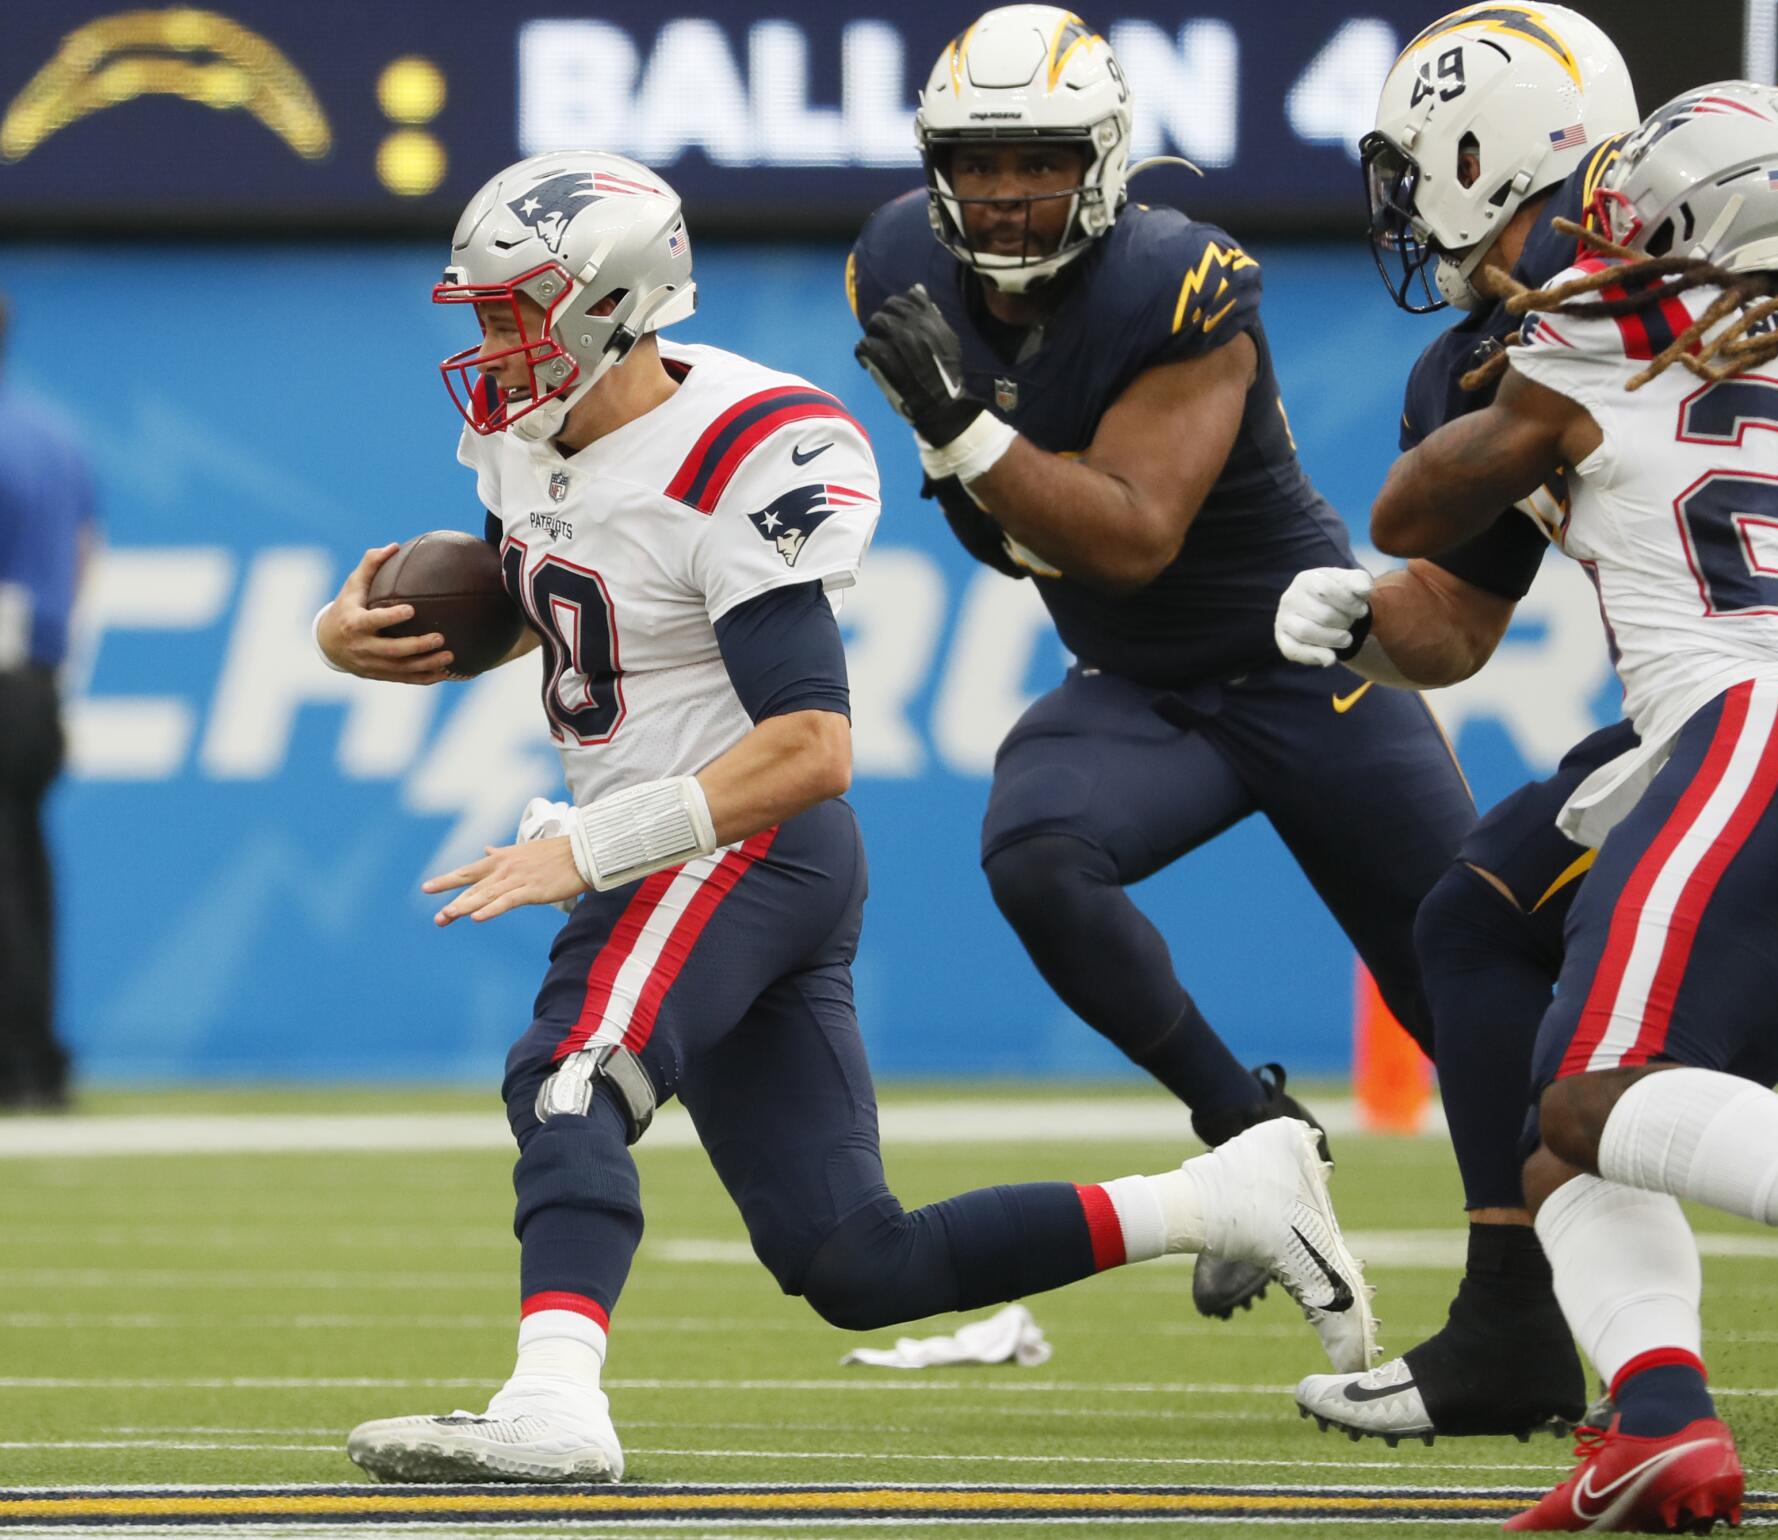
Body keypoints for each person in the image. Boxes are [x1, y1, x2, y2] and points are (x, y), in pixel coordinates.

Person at [318, 149, 1372, 1485]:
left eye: (513, 314)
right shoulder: (534, 433)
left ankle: (553, 1406)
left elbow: (812, 748)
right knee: (851, 1259)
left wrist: (583, 850)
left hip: (735, 843)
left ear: (606, 307)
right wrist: (354, 633)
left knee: (573, 1074)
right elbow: (574, 612)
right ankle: (1227, 1197)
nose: (490, 345)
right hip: (706, 849)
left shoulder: (736, 455)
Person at [1278, 0, 1778, 1448]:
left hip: (1756, 723)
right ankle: (1630, 1394)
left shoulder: (1587, 302)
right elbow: (1458, 625)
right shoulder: (1752, 283)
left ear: (1470, 150)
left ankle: (1539, 1332)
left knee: (1587, 1066)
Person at [849, 3, 1475, 1321]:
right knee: (1036, 850)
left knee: (1463, 992)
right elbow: (1008, 539)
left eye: (1040, 160)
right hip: (1142, 687)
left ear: (1107, 157)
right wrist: (971, 469)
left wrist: (961, 436)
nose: (1008, 193)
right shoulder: (899, 261)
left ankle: (1528, 1312)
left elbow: (1132, 536)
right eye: (979, 159)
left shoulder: (1182, 282)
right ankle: (1255, 1136)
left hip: (1309, 663)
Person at [0, 294, 93, 1112]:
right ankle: (35, 1058)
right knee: (23, 869)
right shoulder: (52, 436)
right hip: (32, 681)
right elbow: (83, 552)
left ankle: (17, 1061)